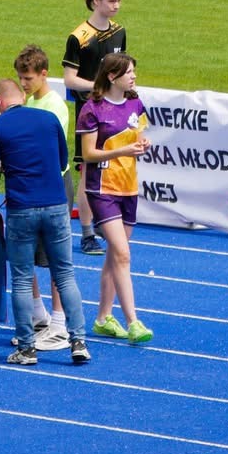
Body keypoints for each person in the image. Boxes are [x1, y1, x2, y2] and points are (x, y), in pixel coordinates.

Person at [0, 78, 90, 368]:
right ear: (21, 95)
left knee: (21, 277)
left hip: (22, 208)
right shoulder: (49, 119)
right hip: (56, 205)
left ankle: (27, 348)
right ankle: (78, 341)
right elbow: (62, 161)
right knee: (65, 274)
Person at [76, 53, 152, 345]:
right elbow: (89, 154)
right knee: (122, 254)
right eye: (129, 72)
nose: (134, 77)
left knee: (114, 255)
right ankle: (133, 321)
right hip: (102, 189)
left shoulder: (135, 103)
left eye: (134, 71)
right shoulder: (92, 109)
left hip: (128, 187)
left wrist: (143, 144)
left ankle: (103, 317)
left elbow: (138, 136)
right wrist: (122, 152)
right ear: (111, 76)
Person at [13, 44, 73, 350]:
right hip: (29, 186)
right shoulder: (28, 102)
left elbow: (49, 151)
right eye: (20, 78)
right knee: (23, 255)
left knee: (54, 259)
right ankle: (39, 317)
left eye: (28, 78)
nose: (23, 84)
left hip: (53, 186)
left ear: (44, 74)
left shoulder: (54, 106)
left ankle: (60, 324)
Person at [62, 0, 126, 254]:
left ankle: (103, 221)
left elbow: (122, 70)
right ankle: (87, 233)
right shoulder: (79, 37)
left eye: (119, 1)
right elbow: (69, 79)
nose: (116, 6)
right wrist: (98, 86)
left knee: (111, 167)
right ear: (96, 1)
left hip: (114, 110)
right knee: (89, 170)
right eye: (111, 1)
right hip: (89, 112)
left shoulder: (120, 32)